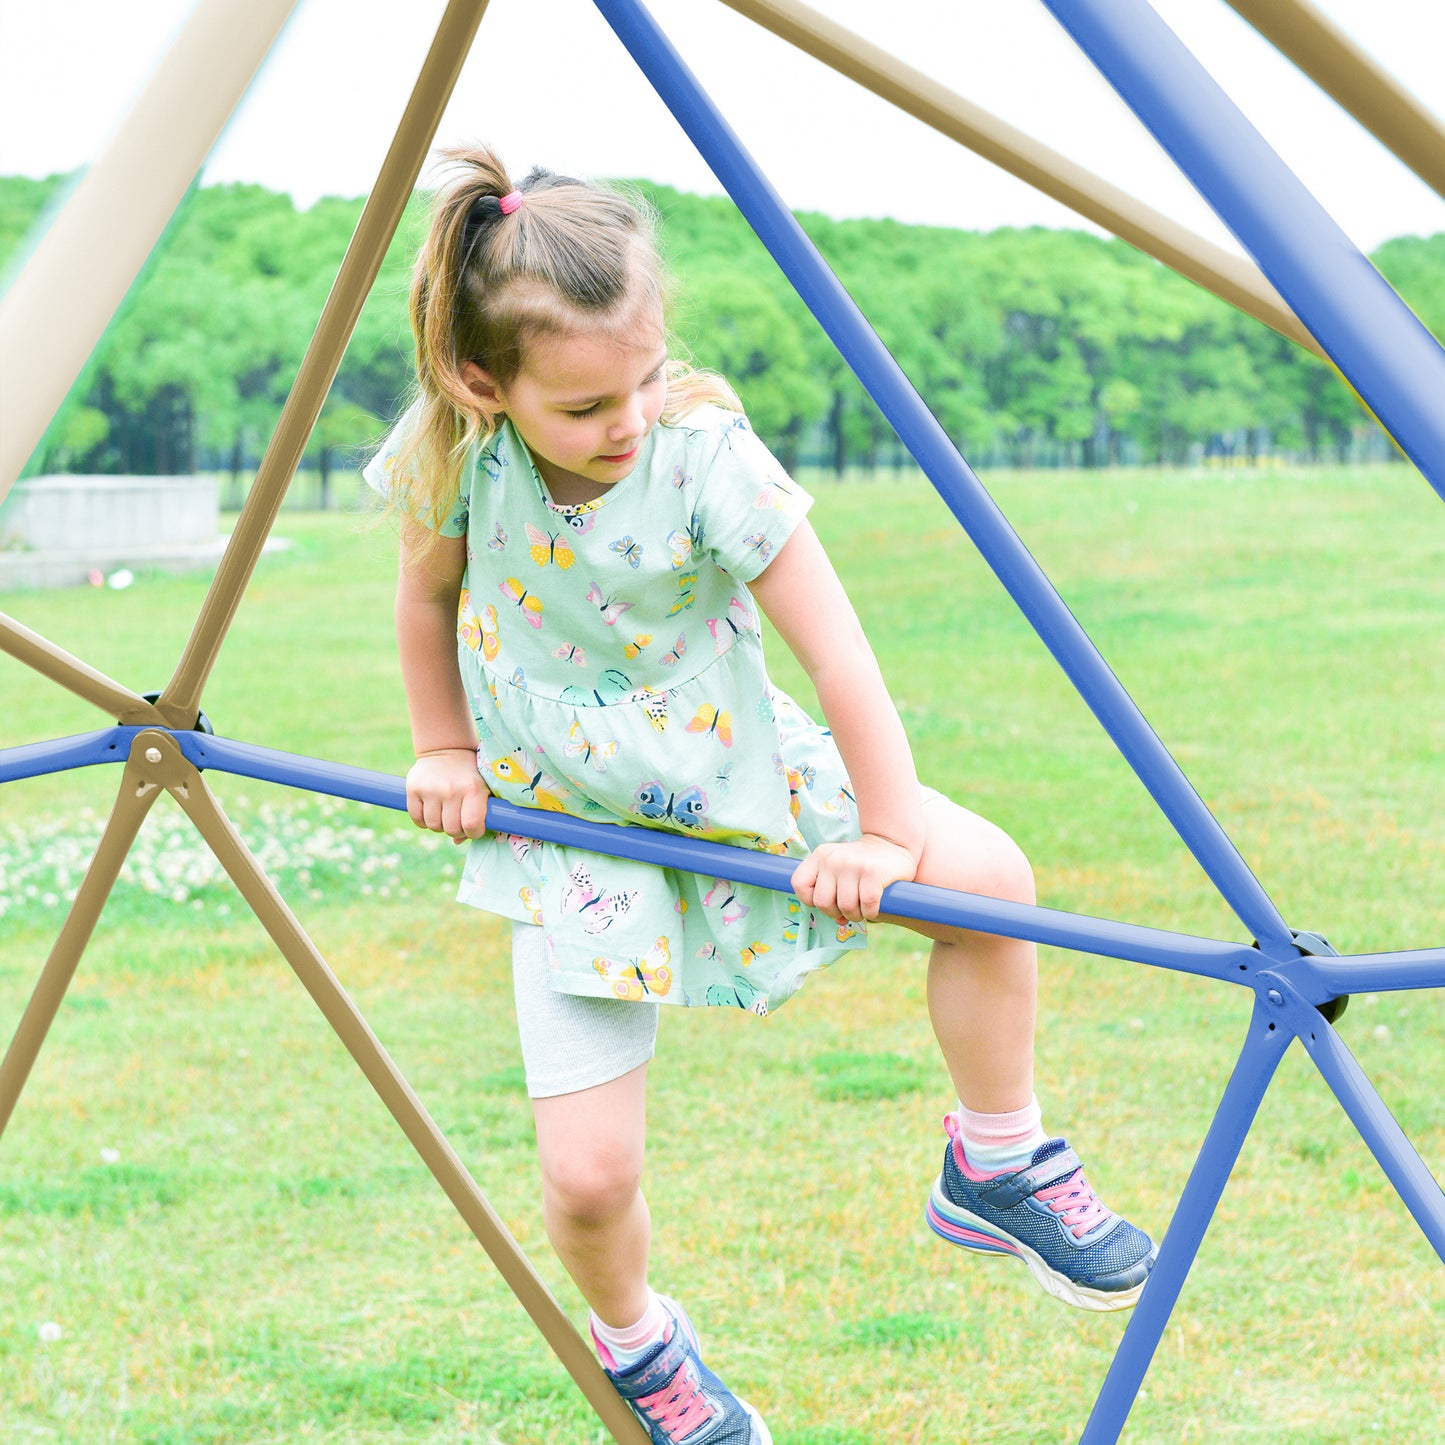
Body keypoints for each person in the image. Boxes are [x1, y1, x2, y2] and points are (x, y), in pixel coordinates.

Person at [367, 146, 1156, 1445]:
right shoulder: (452, 457)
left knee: (992, 884)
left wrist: (884, 828)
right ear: (478, 380)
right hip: (577, 827)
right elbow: (424, 598)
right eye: (582, 406)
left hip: (737, 767)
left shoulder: (701, 455)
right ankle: (642, 1344)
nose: (624, 421)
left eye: (644, 376)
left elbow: (838, 651)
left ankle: (996, 1153)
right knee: (585, 1179)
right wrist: (441, 746)